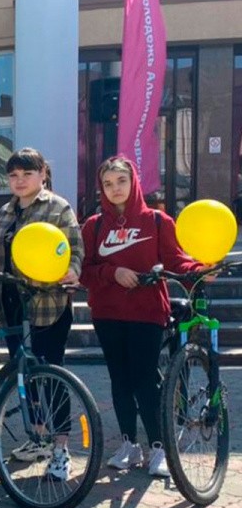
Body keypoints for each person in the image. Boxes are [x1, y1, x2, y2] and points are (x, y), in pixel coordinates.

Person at [81, 156, 208, 477]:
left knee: (144, 381)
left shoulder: (157, 221)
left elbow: (177, 261)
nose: (115, 189)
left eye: (121, 181)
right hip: (107, 314)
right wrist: (113, 272)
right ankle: (129, 445)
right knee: (120, 381)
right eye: (108, 184)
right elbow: (84, 271)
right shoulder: (94, 226)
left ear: (134, 182)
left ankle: (158, 448)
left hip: (147, 313)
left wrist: (200, 270)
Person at [0, 147, 83, 479]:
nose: (20, 180)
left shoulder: (58, 207)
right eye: (13, 175)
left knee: (52, 377)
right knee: (25, 376)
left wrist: (73, 270)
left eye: (27, 173)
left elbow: (74, 248)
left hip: (47, 303)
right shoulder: (5, 212)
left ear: (43, 174)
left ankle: (61, 449)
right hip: (11, 305)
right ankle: (38, 437)